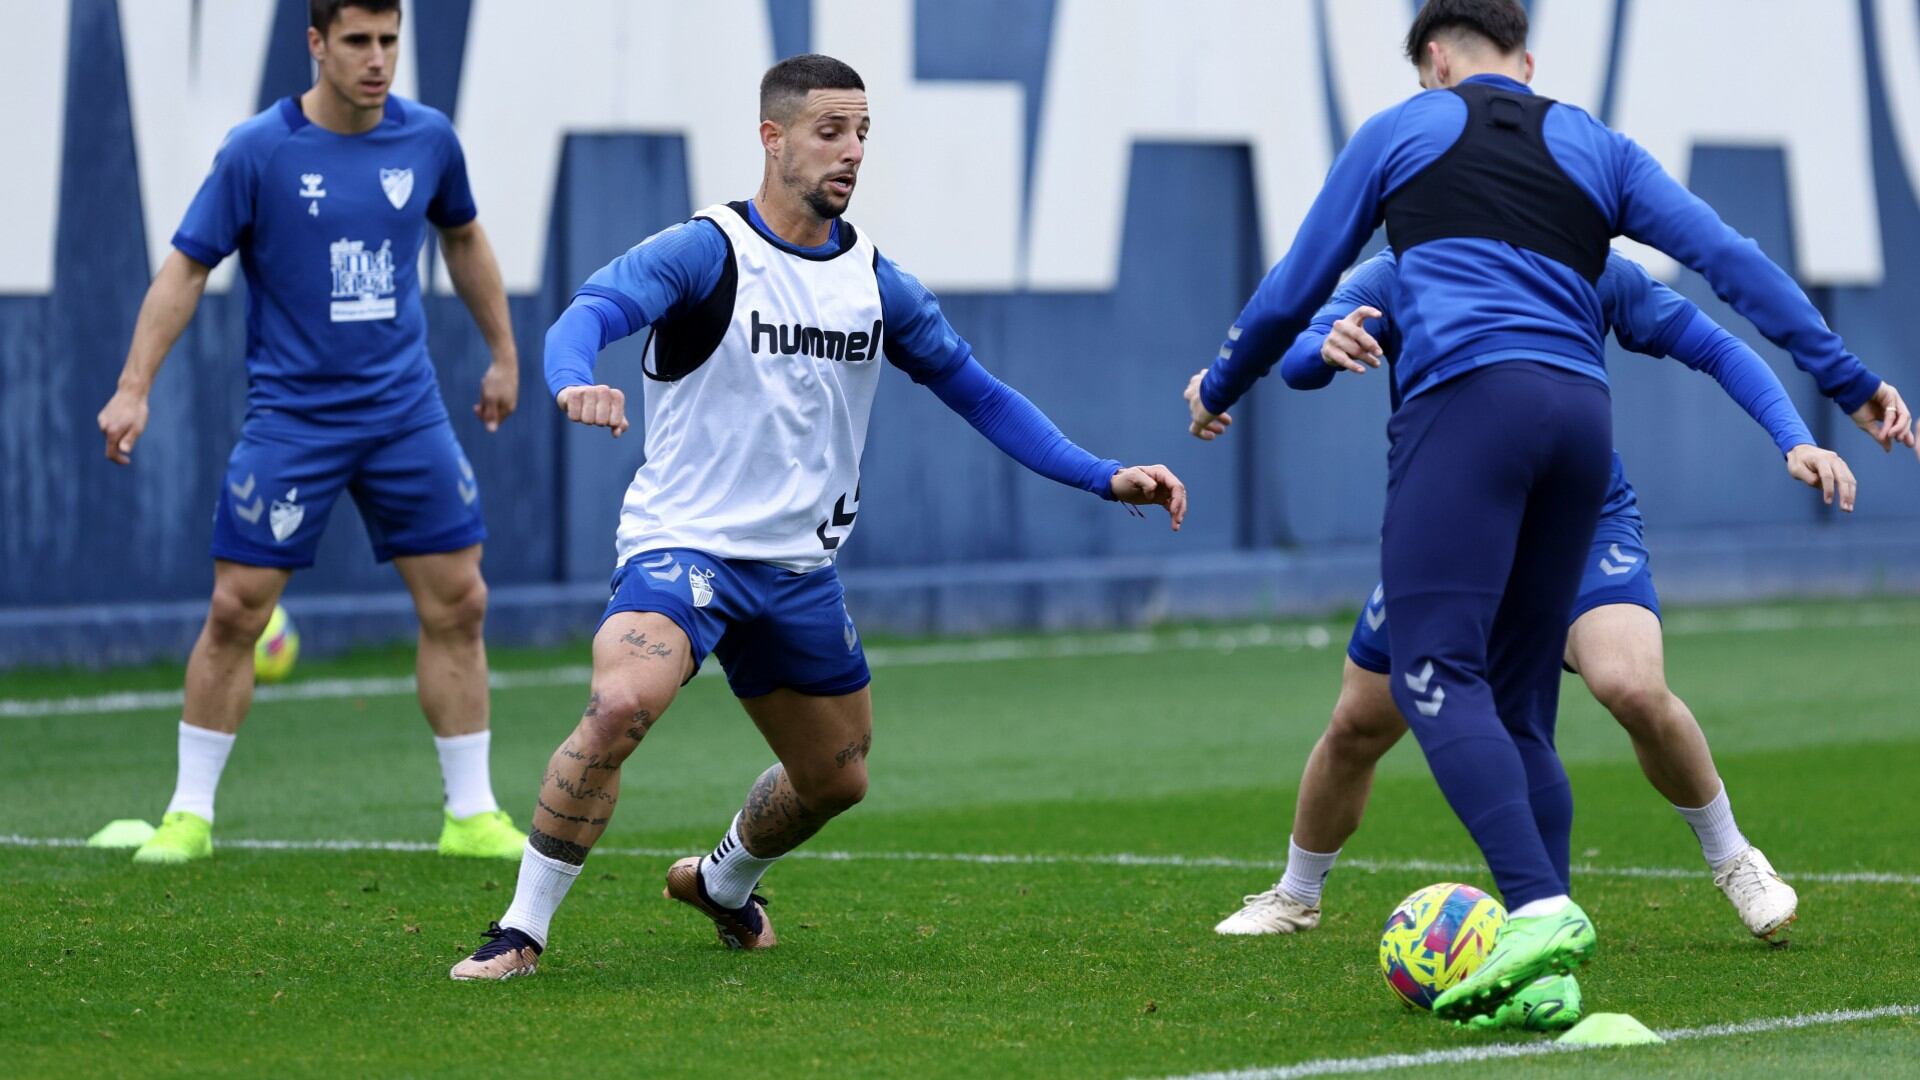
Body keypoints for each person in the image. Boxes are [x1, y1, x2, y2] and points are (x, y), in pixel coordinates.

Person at [1182, 0, 1914, 1023]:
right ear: (1525, 61)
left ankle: (1538, 907)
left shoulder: (1403, 130)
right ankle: (1540, 972)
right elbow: (1732, 261)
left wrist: (1222, 384)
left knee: (1436, 679)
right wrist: (1849, 381)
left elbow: (1291, 285)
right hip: (1578, 426)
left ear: (1434, 60)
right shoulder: (1597, 146)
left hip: (1472, 425)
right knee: (1517, 709)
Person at [448, 54, 1186, 981]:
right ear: (774, 137)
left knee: (838, 777)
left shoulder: (878, 283)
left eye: (863, 134)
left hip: (798, 568)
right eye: (830, 131)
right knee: (623, 703)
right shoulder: (707, 250)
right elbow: (588, 312)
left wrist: (1104, 476)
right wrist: (571, 382)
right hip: (686, 547)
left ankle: (721, 882)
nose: (851, 152)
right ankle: (521, 930)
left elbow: (984, 397)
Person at [1215, 248, 1871, 1027]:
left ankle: (1734, 859)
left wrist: (1794, 436)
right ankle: (1296, 893)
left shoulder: (1583, 263)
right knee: (1359, 723)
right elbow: (1300, 338)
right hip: (1451, 527)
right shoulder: (1400, 269)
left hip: (1578, 520)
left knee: (1629, 685)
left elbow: (1715, 343)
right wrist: (1321, 350)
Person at [94, 0, 527, 862]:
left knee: (461, 602)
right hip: (296, 419)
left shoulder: (429, 138)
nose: (377, 59)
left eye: (389, 41)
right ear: (317, 44)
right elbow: (185, 269)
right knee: (236, 609)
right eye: (358, 41)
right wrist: (133, 387)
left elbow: (465, 236)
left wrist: (504, 355)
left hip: (406, 414)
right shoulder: (259, 150)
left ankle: (471, 815)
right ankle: (189, 814)